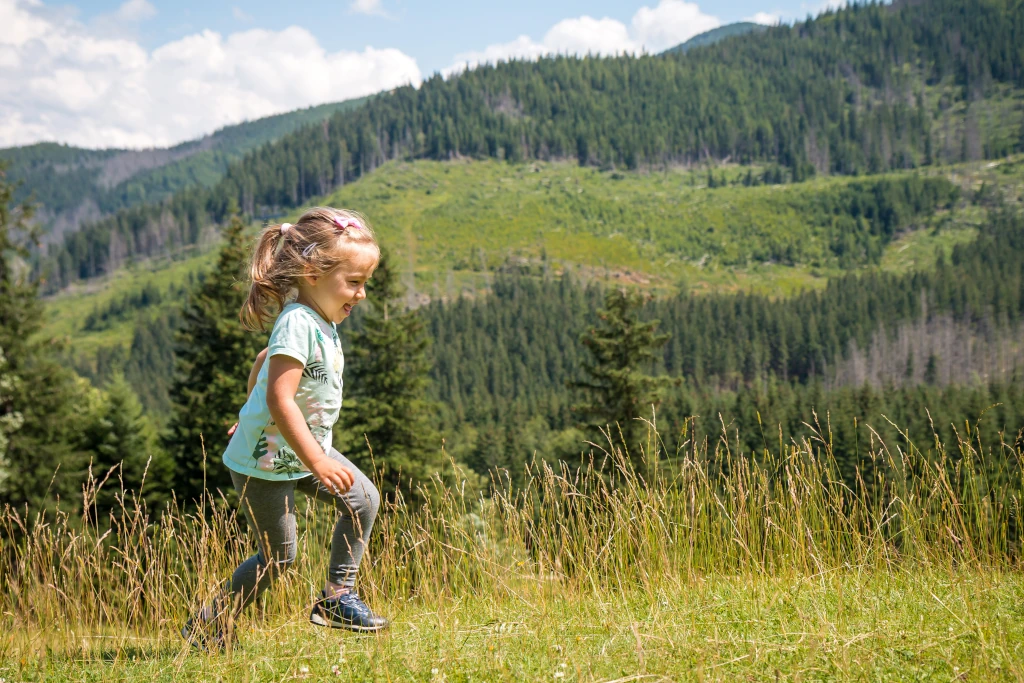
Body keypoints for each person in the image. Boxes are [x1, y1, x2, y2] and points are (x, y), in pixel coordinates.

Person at [183, 206, 387, 650]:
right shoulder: (298, 321)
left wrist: (247, 411)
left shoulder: (320, 322)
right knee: (279, 557)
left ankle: (338, 596)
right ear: (312, 272)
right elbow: (280, 396)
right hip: (265, 464)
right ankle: (209, 623)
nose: (362, 295)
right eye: (354, 282)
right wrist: (313, 457)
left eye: (364, 283)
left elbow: (265, 362)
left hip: (300, 450)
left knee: (363, 499)